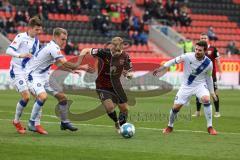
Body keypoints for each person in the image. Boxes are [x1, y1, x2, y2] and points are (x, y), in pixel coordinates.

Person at [26, 27, 92, 134]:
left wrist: (71, 70)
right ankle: (31, 122)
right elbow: (64, 62)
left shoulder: (53, 47)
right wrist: (81, 67)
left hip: (44, 76)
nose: (64, 42)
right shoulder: (53, 47)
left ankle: (64, 123)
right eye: (62, 39)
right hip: (33, 75)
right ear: (56, 37)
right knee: (43, 97)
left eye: (65, 39)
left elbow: (57, 63)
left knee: (62, 98)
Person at [153, 41, 218, 135]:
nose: (197, 51)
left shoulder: (208, 63)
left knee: (206, 99)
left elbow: (209, 77)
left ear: (205, 51)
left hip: (200, 85)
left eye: (200, 50)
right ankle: (169, 126)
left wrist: (212, 92)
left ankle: (210, 127)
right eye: (196, 49)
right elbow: (173, 61)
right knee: (176, 108)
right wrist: (161, 68)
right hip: (186, 85)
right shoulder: (187, 56)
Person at [78, 37, 133, 133]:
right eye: (114, 49)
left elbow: (127, 71)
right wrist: (78, 63)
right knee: (110, 107)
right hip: (102, 85)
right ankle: (116, 122)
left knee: (124, 109)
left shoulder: (125, 56)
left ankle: (123, 126)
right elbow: (85, 50)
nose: (116, 51)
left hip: (116, 85)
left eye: (118, 50)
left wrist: (128, 74)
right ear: (111, 46)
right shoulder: (103, 52)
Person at [6, 16, 43, 134]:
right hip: (16, 71)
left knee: (39, 97)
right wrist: (20, 55)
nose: (39, 32)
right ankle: (16, 121)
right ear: (31, 28)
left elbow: (35, 57)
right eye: (37, 29)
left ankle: (37, 124)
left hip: (27, 72)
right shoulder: (21, 37)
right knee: (26, 97)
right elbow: (8, 51)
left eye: (40, 29)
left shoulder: (37, 41)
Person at [192, 33, 222, 118]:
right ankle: (198, 112)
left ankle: (217, 112)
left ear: (208, 39)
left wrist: (221, 72)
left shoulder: (213, 49)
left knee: (215, 93)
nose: (203, 39)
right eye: (201, 38)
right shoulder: (197, 49)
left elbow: (218, 61)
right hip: (200, 76)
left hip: (211, 75)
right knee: (198, 93)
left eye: (205, 38)